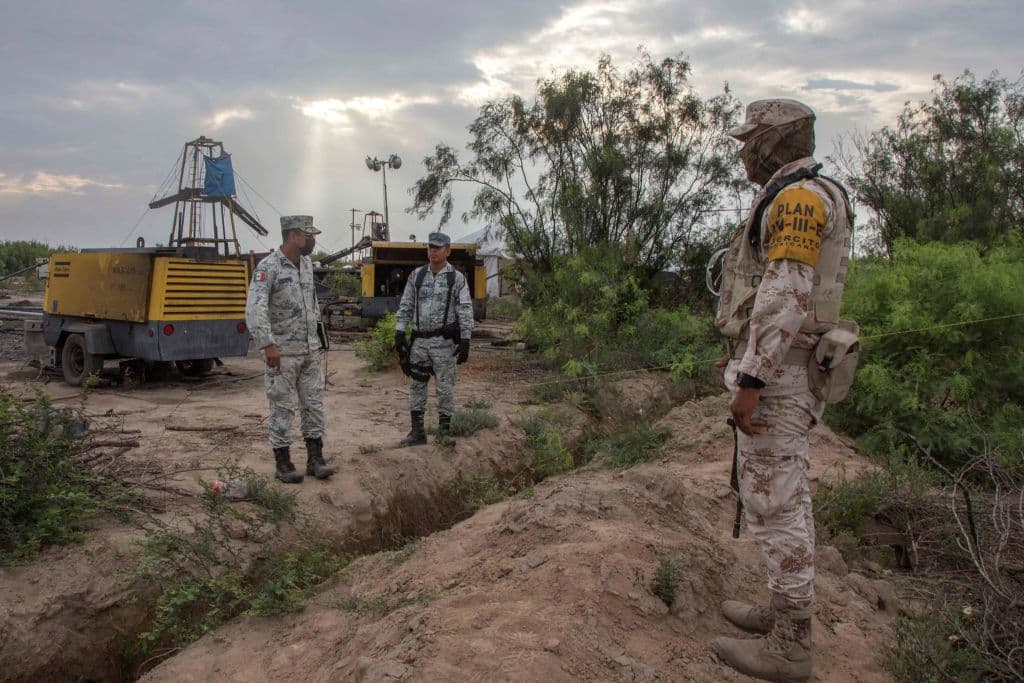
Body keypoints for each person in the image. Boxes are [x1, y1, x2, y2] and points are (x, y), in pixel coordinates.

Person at [711, 99, 855, 682]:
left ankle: (792, 646)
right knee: (781, 498)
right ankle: (782, 611)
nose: (744, 151)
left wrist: (752, 378)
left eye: (751, 140)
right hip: (788, 369)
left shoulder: (796, 198)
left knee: (777, 503)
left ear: (773, 142)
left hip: (782, 374)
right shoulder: (798, 192)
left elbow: (785, 293)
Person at [246, 215, 335, 483]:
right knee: (282, 408)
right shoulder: (268, 267)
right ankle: (283, 464)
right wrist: (267, 344)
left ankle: (315, 459)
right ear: (294, 235)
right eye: (309, 235)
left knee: (314, 405)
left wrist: (320, 336)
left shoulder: (306, 265)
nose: (313, 240)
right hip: (282, 353)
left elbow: (311, 303)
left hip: (309, 351)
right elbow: (255, 308)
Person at [394, 232, 473, 447]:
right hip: (419, 342)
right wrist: (400, 332)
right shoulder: (417, 276)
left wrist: (465, 339)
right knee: (417, 386)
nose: (433, 251)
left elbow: (465, 309)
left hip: (444, 344)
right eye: (431, 247)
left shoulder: (456, 278)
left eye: (438, 248)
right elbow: (406, 305)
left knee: (445, 387)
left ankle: (444, 432)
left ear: (448, 250)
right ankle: (417, 432)